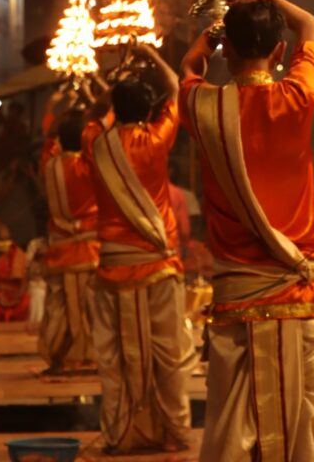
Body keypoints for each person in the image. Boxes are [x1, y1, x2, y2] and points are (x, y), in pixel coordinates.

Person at [179, 0, 314, 462]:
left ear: (225, 51)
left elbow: (187, 72)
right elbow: (310, 23)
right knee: (299, 425)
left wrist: (203, 43)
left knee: (231, 422)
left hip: (236, 299)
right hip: (293, 294)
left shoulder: (201, 106)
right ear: (280, 52)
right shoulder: (297, 96)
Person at [84, 45, 195, 454]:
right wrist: (149, 53)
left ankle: (119, 435)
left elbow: (93, 114)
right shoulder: (158, 137)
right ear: (150, 112)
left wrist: (112, 86)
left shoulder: (96, 142)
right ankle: (175, 434)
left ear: (115, 109)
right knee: (169, 356)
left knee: (113, 360)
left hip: (112, 270)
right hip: (158, 268)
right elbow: (175, 86)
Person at [38, 89, 99, 372]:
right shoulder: (92, 164)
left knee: (61, 306)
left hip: (61, 251)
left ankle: (61, 357)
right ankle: (92, 356)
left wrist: (55, 104)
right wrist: (89, 101)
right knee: (91, 306)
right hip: (90, 249)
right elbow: (101, 131)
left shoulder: (49, 166)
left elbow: (48, 136)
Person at [0, 216, 30, 321]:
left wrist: (15, 298)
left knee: (27, 301)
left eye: (7, 239)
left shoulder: (18, 254)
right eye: (1, 240)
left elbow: (24, 282)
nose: (6, 243)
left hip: (15, 296)